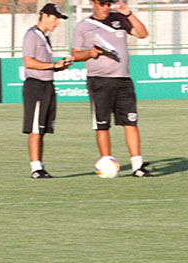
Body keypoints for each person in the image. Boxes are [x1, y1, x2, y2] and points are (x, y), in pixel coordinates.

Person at [71, 0, 152, 177]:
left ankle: (137, 166)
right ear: (92, 3)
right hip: (99, 81)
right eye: (102, 3)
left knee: (130, 122)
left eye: (108, 3)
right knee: (102, 125)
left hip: (123, 80)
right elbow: (75, 54)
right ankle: (106, 163)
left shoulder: (119, 19)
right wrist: (89, 53)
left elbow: (142, 34)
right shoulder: (83, 26)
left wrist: (128, 13)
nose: (106, 7)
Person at [22, 3, 74, 179]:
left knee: (42, 129)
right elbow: (28, 62)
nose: (57, 22)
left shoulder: (45, 36)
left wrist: (59, 66)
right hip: (35, 86)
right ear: (44, 15)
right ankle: (35, 169)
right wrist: (53, 65)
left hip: (47, 85)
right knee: (35, 129)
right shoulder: (32, 35)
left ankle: (40, 166)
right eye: (55, 18)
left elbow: (44, 64)